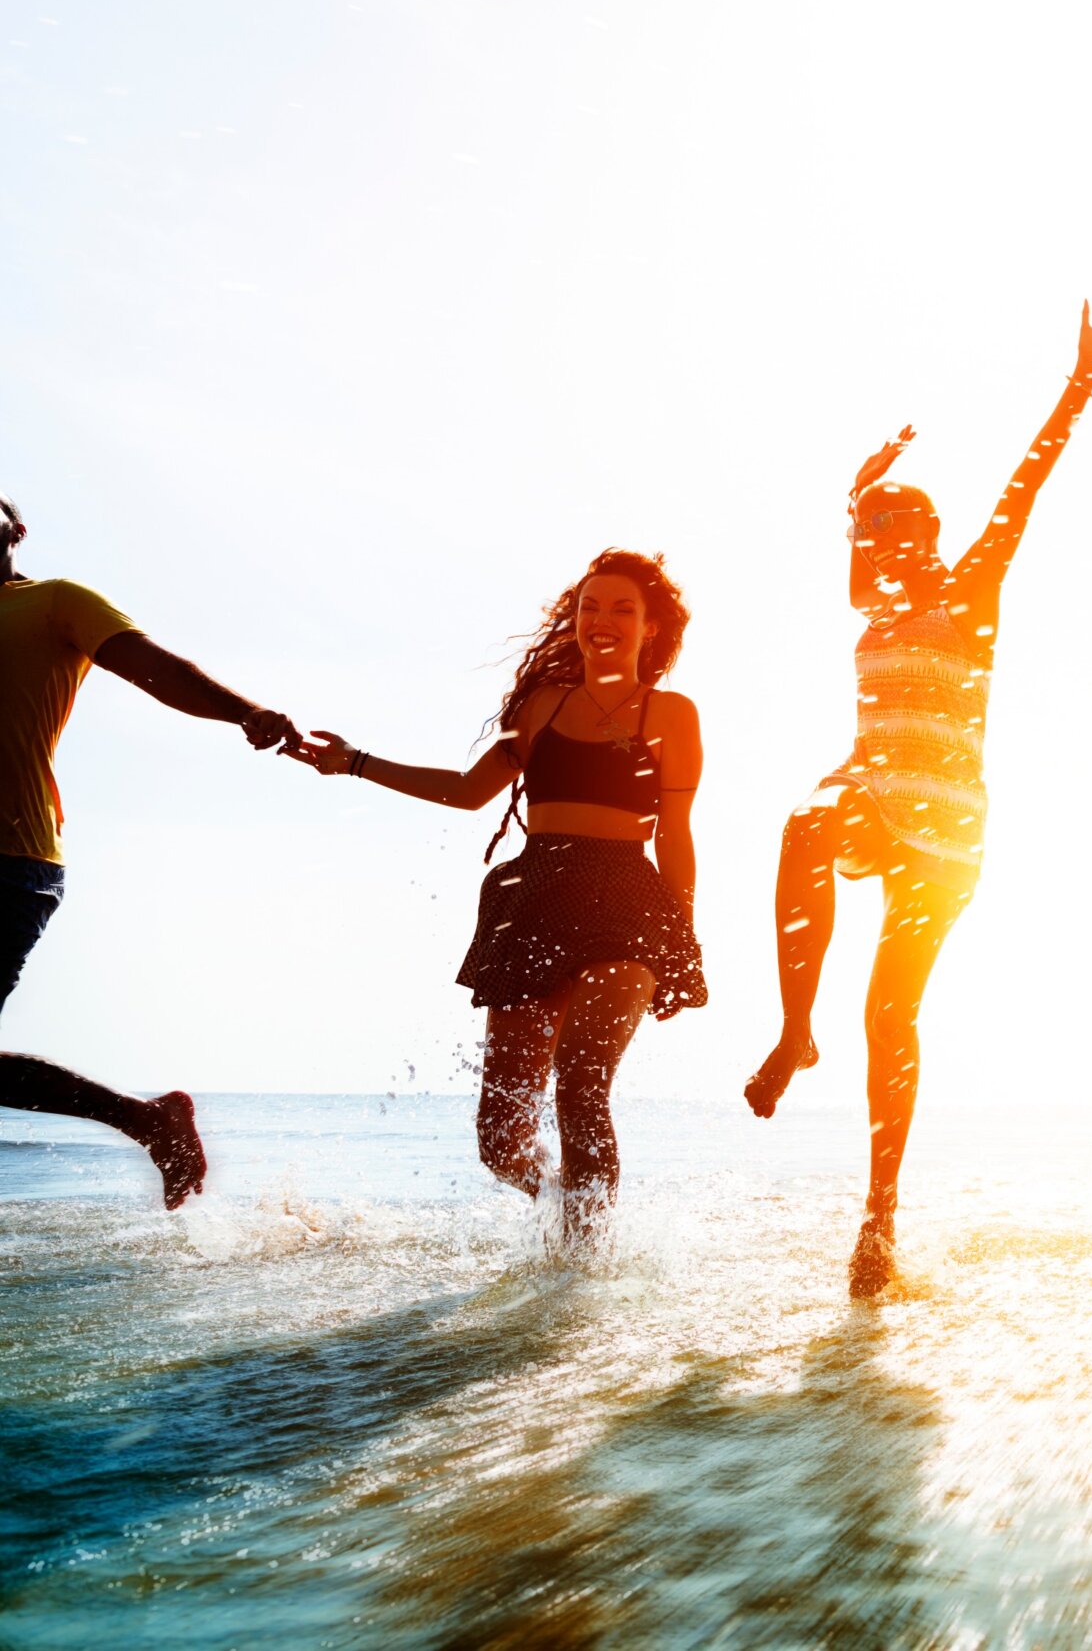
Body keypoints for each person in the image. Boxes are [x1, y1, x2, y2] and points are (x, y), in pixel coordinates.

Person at [745, 298, 1092, 1300]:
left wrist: (1078, 380)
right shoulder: (873, 603)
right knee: (802, 822)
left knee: (892, 1010)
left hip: (949, 832)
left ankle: (878, 1216)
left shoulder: (968, 588)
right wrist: (856, 494)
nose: (891, 548)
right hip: (874, 796)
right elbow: (857, 555)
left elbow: (1026, 484)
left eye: (907, 532)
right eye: (879, 538)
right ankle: (797, 1029)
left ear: (935, 538)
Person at [293, 550, 703, 1241]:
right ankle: (561, 1207)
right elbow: (465, 791)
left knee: (580, 1081)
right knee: (500, 1140)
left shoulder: (670, 713)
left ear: (651, 627)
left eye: (622, 609)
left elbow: (677, 836)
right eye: (589, 607)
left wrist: (681, 935)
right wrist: (354, 762)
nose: (602, 620)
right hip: (533, 897)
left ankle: (585, 1264)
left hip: (628, 901)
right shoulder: (543, 705)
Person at [0, 490, 300, 1208]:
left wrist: (243, 711)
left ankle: (149, 1120)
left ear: (15, 529)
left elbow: (152, 667)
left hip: (11, 860)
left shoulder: (54, 602)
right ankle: (149, 1120)